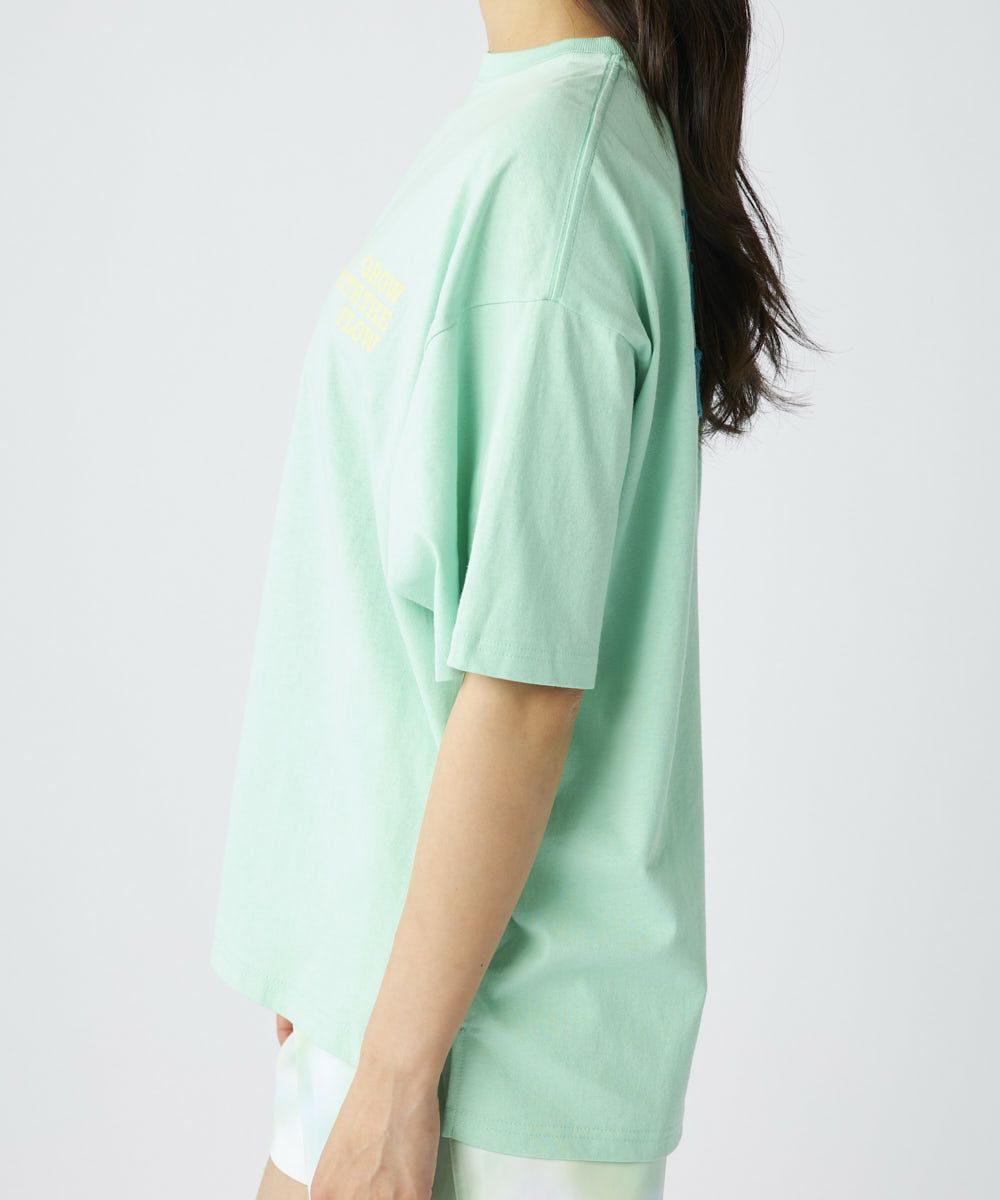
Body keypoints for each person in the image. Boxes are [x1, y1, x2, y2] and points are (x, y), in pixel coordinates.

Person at [210, 2, 813, 1197]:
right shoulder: (519, 129)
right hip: (389, 1004)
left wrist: (394, 1077)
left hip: (471, 1061)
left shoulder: (554, 179)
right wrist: (327, 949)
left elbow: (523, 689)